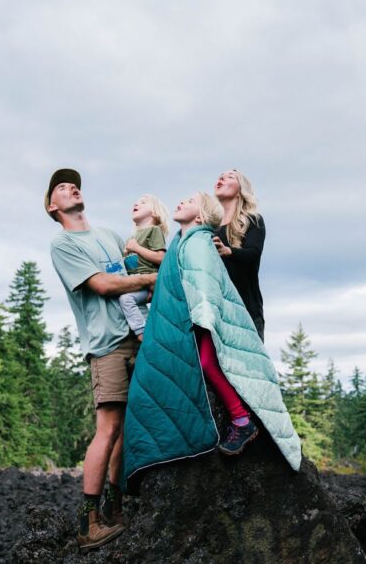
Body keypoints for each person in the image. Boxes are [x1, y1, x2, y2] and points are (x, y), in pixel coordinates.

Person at [122, 191, 301, 492]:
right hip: (189, 320)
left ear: (201, 216)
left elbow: (205, 282)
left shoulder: (199, 242)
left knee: (207, 362)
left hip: (203, 319)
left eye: (189, 202)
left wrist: (203, 318)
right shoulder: (181, 242)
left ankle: (242, 421)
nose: (180, 203)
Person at [46, 168, 156, 550]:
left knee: (127, 431)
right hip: (106, 344)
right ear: (52, 206)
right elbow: (105, 285)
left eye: (74, 183)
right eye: (62, 187)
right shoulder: (63, 245)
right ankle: (87, 522)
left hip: (139, 338)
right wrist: (147, 281)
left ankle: (115, 507)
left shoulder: (110, 236)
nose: (71, 187)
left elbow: (135, 271)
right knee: (108, 428)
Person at [213, 170, 266, 340]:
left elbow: (253, 254)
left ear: (240, 189)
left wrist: (229, 251)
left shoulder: (252, 220)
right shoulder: (210, 227)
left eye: (230, 176)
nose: (221, 177)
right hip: (217, 309)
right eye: (221, 175)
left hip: (245, 309)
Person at [118, 194, 169, 341]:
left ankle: (141, 335)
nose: (137, 204)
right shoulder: (130, 239)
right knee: (131, 303)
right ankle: (151, 333)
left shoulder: (154, 230)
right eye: (136, 202)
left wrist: (137, 248)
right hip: (133, 282)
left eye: (143, 202)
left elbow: (161, 258)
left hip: (147, 281)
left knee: (126, 299)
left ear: (154, 212)